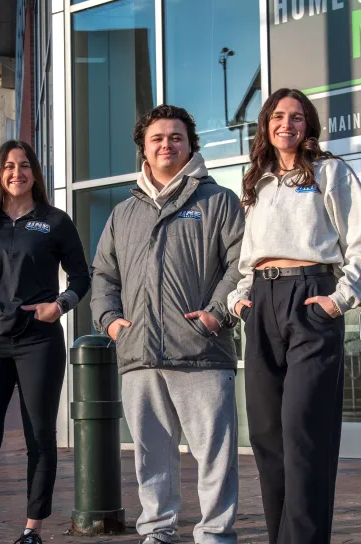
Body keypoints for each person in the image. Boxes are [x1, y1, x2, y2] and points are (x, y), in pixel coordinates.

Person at [227, 88, 361, 544]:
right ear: (266, 125)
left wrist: (340, 299)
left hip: (311, 297)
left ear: (308, 125)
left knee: (303, 435)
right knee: (267, 437)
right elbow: (247, 255)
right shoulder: (256, 180)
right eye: (278, 116)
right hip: (261, 302)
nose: (286, 124)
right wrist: (239, 297)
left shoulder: (330, 172)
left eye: (296, 117)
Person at [91, 105, 245, 544]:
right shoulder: (124, 213)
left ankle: (215, 534)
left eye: (175, 137)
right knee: (151, 455)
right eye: (157, 137)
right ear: (144, 146)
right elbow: (104, 274)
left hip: (201, 351)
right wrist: (111, 322)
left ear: (190, 145)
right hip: (139, 353)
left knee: (214, 455)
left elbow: (241, 265)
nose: (166, 144)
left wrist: (217, 313)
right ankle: (158, 531)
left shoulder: (218, 201)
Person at [0, 140, 90, 544]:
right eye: (9, 166)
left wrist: (60, 305)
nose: (17, 173)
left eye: (24, 166)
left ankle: (32, 529)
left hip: (39, 341)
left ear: (35, 172)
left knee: (39, 435)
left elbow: (82, 278)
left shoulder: (54, 221)